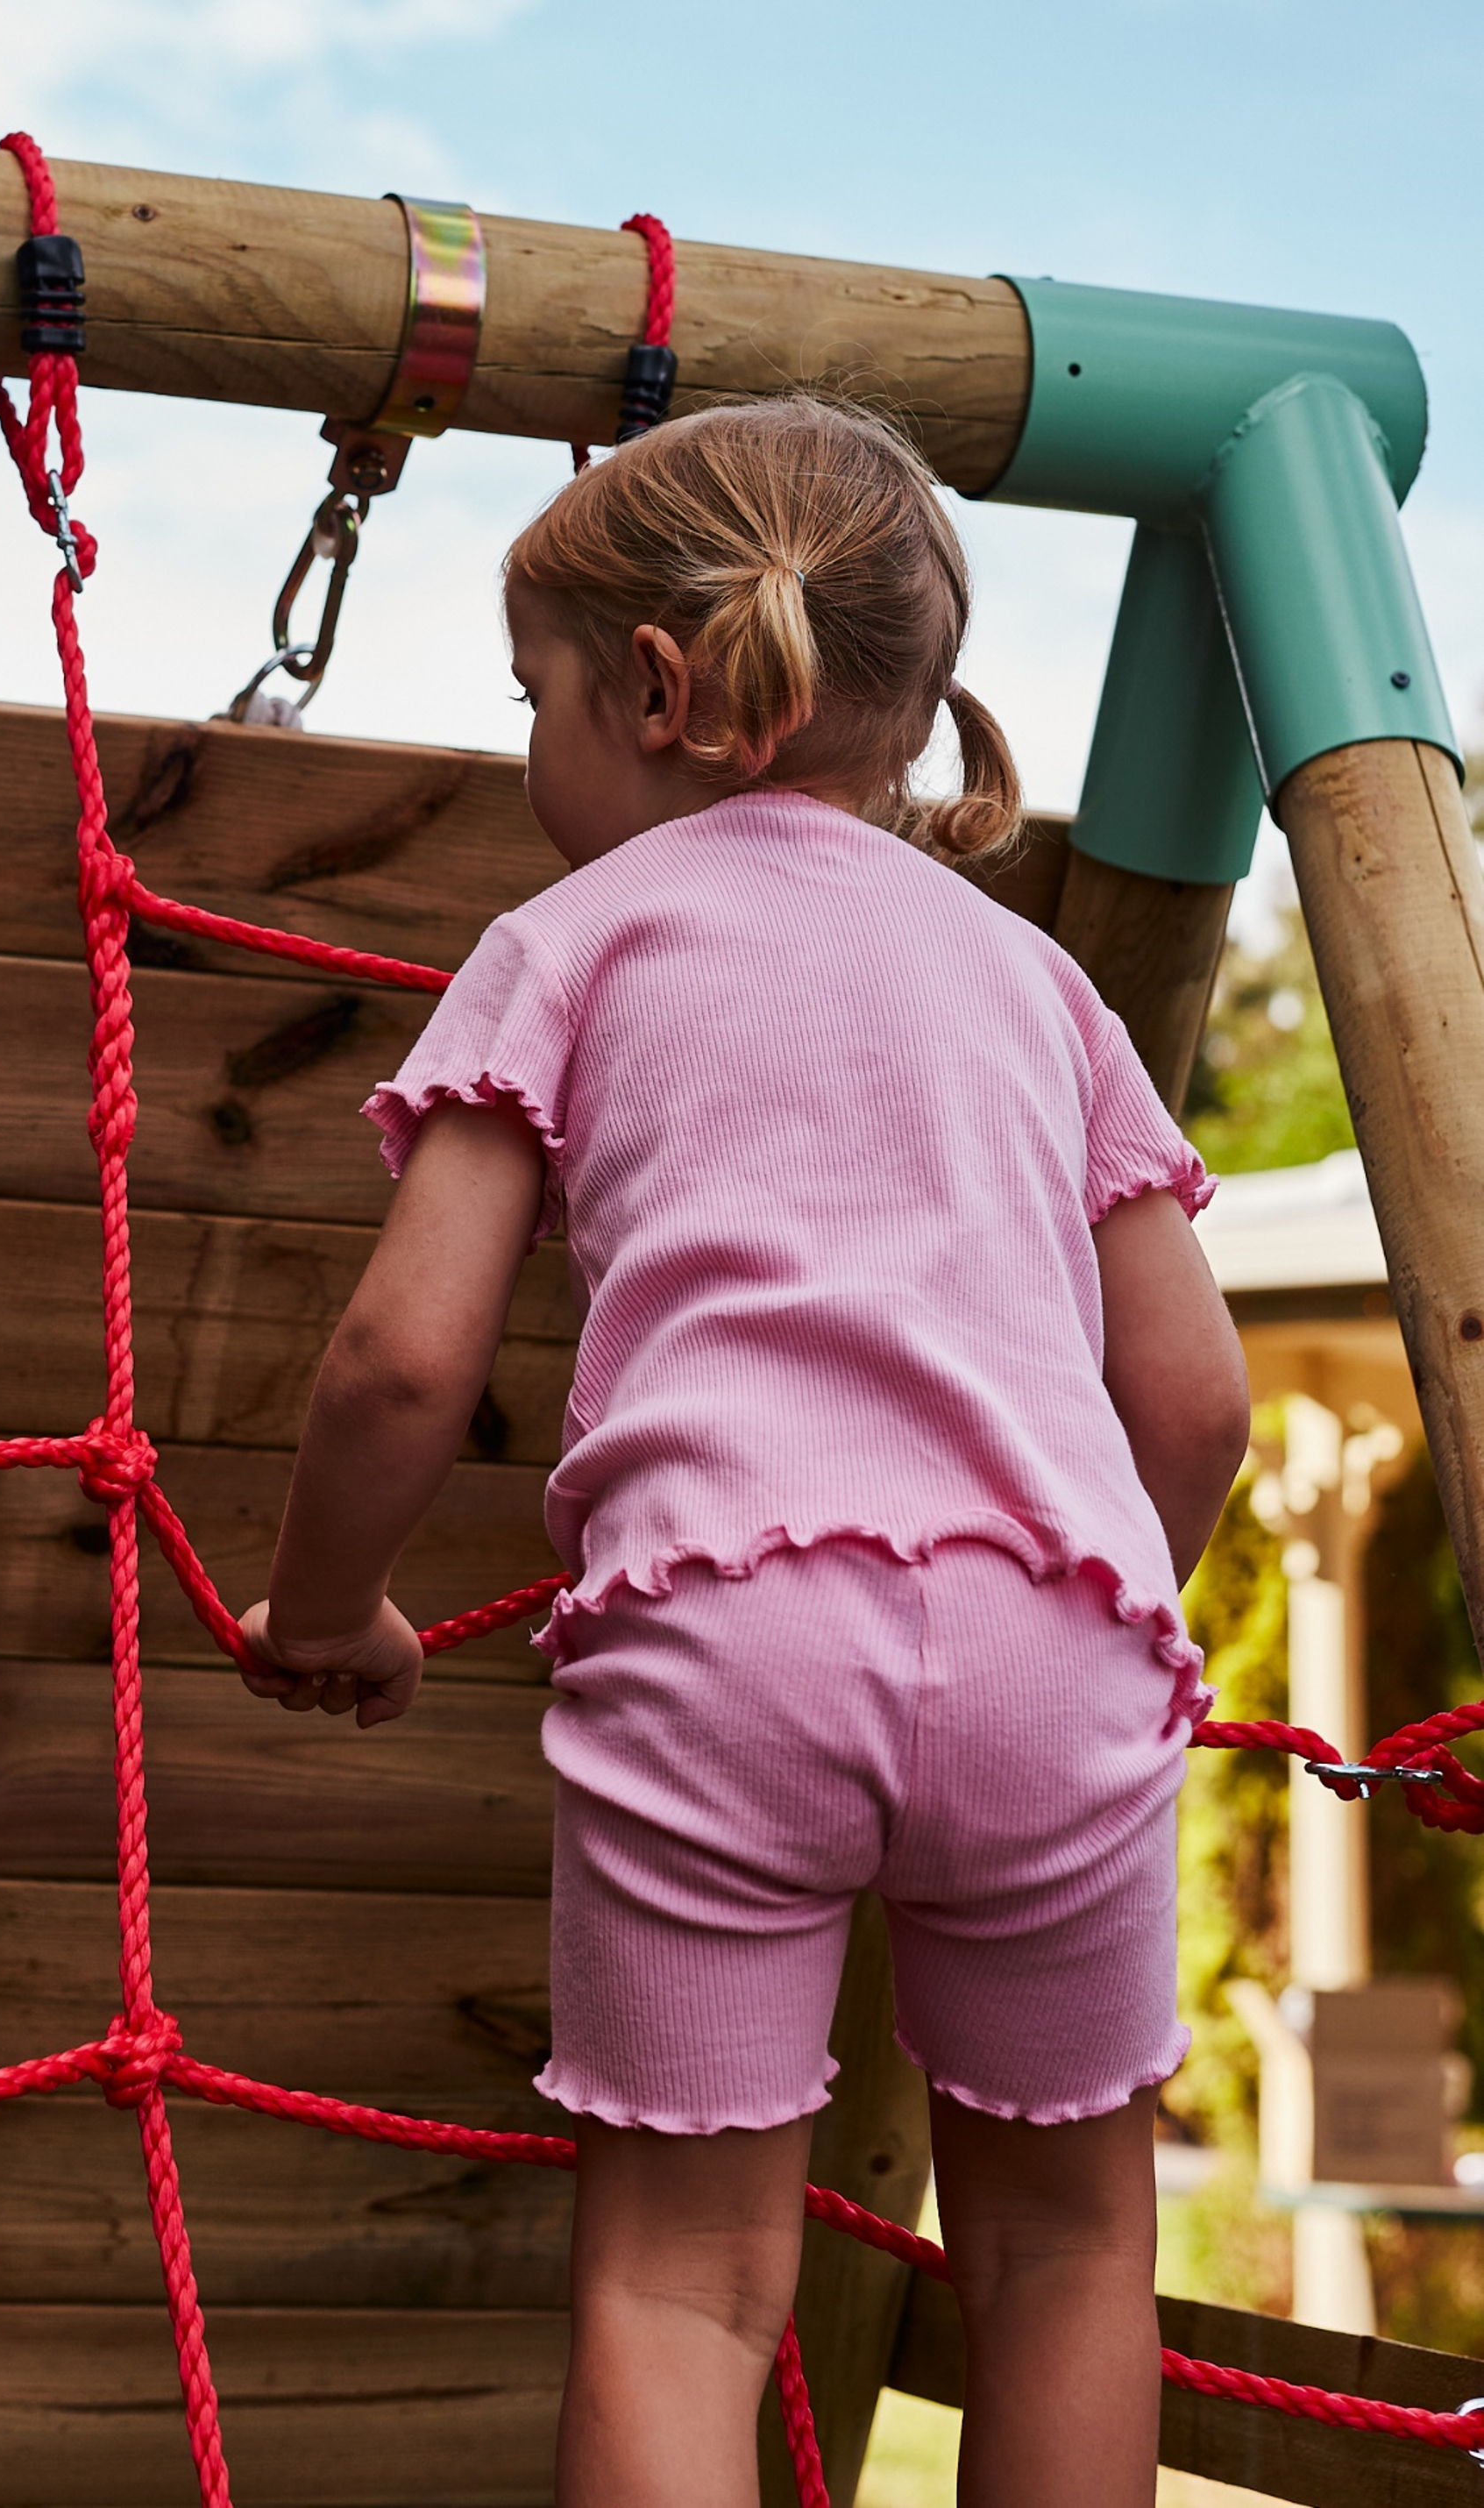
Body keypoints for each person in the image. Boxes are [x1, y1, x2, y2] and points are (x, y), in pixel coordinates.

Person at [234, 397, 1251, 2508]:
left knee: (684, 2279)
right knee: (1067, 2253)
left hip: (729, 1632)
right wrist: (1071, 1596)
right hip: (1060, 1638)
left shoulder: (569, 941)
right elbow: (1195, 1403)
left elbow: (400, 1359)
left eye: (531, 694)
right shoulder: (1041, 982)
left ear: (660, 687)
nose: (528, 746)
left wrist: (326, 1603)